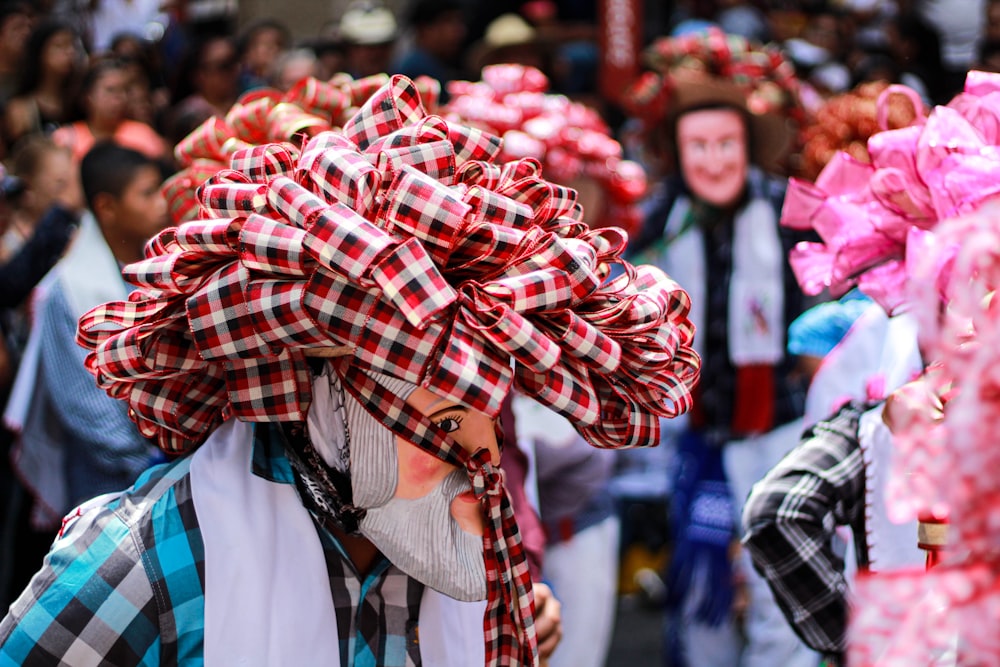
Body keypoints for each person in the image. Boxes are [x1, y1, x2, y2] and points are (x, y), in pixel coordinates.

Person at [0, 74, 701, 666]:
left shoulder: (445, 549)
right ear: (330, 399)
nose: (483, 467)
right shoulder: (145, 560)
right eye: (444, 424)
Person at [624, 28, 812, 667]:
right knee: (701, 581)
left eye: (726, 144)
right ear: (677, 152)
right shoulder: (658, 220)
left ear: (748, 148)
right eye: (697, 146)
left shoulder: (789, 214)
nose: (713, 160)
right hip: (695, 433)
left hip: (776, 427)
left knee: (775, 579)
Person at [4, 142, 166, 531]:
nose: (162, 202)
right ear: (107, 206)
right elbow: (85, 408)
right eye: (147, 193)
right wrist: (155, 460)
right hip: (108, 492)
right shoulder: (69, 289)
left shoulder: (154, 262)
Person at [52, 58, 168, 163]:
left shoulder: (144, 134)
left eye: (124, 90)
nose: (119, 98)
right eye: (110, 90)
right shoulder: (65, 139)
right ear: (89, 96)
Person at [3, 20, 82, 150]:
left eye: (72, 46)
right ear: (40, 53)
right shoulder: (21, 110)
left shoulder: (79, 101)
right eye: (59, 46)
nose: (69, 52)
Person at [339, 0, 398, 79]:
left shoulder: (402, 86)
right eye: (368, 47)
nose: (376, 54)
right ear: (350, 50)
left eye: (382, 46)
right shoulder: (338, 87)